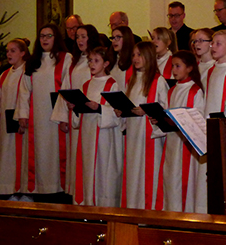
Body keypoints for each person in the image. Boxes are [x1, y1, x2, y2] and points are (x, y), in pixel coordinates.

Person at [15, 23, 72, 202]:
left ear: (56, 38)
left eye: (49, 36)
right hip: (36, 118)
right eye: (42, 36)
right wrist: (23, 114)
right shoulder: (32, 61)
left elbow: (67, 86)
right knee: (38, 153)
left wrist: (63, 116)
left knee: (56, 155)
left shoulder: (65, 58)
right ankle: (38, 191)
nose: (45, 39)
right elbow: (25, 89)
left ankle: (57, 191)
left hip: (55, 117)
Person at [116, 41, 169, 210]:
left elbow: (166, 110)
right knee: (133, 173)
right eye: (133, 55)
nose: (135, 58)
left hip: (150, 136)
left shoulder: (158, 81)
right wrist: (122, 111)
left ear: (148, 56)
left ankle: (149, 210)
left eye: (139, 55)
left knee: (148, 174)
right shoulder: (132, 80)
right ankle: (133, 209)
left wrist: (146, 112)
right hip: (133, 134)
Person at [51, 24, 101, 198]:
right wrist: (64, 115)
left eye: (83, 36)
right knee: (76, 159)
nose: (80, 40)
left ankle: (88, 196)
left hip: (90, 117)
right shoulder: (75, 62)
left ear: (91, 38)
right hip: (75, 116)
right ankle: (76, 196)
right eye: (78, 36)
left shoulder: (97, 60)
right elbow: (66, 88)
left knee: (88, 159)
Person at [72, 46, 121, 206]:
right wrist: (75, 107)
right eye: (90, 61)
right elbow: (77, 117)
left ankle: (102, 204)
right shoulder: (86, 85)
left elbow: (117, 114)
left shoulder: (112, 84)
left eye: (96, 61)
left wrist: (99, 108)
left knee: (102, 170)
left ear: (106, 63)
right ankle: (86, 202)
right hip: (87, 134)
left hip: (104, 138)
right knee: (86, 169)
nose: (92, 64)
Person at [163, 51, 205, 212]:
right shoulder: (172, 90)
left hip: (186, 145)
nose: (174, 69)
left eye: (178, 66)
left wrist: (179, 121)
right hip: (172, 142)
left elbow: (198, 118)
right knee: (171, 180)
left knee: (182, 181)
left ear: (189, 68)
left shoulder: (194, 91)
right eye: (172, 66)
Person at [0, 39, 31, 200]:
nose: (9, 54)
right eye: (8, 51)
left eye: (13, 50)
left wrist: (23, 117)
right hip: (7, 127)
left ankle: (23, 192)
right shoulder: (4, 76)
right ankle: (7, 191)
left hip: (23, 124)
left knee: (23, 159)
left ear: (22, 53)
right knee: (7, 159)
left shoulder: (28, 72)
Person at [205, 30, 226, 117]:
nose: (213, 47)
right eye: (212, 43)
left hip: (224, 118)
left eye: (218, 44)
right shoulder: (211, 69)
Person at [107, 26, 135, 91]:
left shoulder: (133, 61)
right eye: (113, 38)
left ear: (126, 38)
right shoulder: (111, 60)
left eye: (118, 37)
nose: (114, 41)